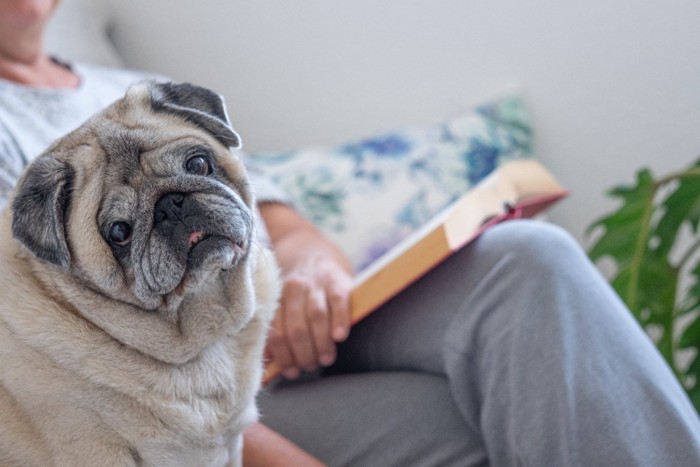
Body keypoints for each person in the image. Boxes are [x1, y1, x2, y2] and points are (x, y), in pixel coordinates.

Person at [1, 1, 699, 466]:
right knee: (484, 410)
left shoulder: (140, 88)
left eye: (189, 166)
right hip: (183, 401)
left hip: (298, 329)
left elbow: (285, 225)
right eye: (121, 224)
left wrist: (314, 273)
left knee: (529, 260)